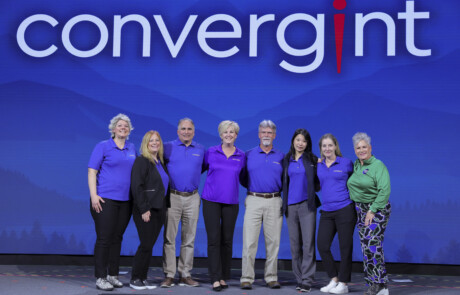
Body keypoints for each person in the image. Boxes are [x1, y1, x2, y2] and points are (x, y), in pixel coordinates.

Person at [88, 113, 136, 291]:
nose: (123, 128)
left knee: (117, 238)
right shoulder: (103, 146)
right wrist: (94, 195)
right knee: (104, 239)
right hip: (104, 200)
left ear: (129, 130)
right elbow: (92, 171)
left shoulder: (132, 148)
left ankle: (112, 275)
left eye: (126, 126)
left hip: (125, 201)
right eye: (120, 125)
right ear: (113, 128)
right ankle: (101, 277)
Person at [240, 120, 284, 290]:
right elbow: (243, 177)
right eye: (263, 132)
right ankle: (246, 277)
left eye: (269, 133)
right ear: (259, 134)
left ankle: (271, 277)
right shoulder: (249, 154)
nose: (266, 135)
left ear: (274, 135)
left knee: (273, 241)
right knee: (249, 241)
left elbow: (284, 179)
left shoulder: (281, 156)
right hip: (253, 199)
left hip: (274, 200)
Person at [202, 120, 245, 292]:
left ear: (236, 135)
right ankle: (214, 277)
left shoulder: (242, 155)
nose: (229, 135)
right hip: (211, 201)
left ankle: (223, 275)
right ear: (220, 134)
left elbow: (244, 177)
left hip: (231, 203)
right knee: (213, 240)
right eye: (225, 132)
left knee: (227, 241)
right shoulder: (211, 152)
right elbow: (201, 169)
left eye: (232, 132)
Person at [162, 118, 205, 288]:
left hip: (193, 197)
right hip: (173, 196)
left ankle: (185, 274)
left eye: (189, 129)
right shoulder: (167, 147)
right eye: (183, 129)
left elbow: (201, 168)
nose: (186, 131)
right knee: (169, 238)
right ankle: (169, 274)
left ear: (193, 132)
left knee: (189, 238)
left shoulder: (201, 149)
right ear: (177, 131)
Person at [347, 132, 391, 295]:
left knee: (373, 244)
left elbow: (384, 190)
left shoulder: (378, 165)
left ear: (370, 148)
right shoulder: (357, 165)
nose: (361, 150)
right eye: (358, 148)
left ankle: (380, 284)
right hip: (360, 209)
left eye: (364, 147)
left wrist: (372, 210)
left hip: (376, 209)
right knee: (366, 246)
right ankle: (376, 283)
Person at [129, 130, 170, 290]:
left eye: (157, 140)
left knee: (150, 245)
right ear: (146, 144)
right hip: (146, 209)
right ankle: (135, 278)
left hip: (160, 209)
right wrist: (144, 209)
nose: (154, 143)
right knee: (145, 244)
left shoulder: (160, 162)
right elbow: (137, 187)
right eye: (151, 141)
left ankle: (143, 278)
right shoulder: (142, 161)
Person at [281, 128, 320, 293]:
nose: (300, 143)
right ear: (293, 141)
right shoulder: (286, 159)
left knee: (308, 244)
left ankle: (307, 280)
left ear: (307, 143)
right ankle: (299, 278)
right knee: (295, 245)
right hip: (290, 206)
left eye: (303, 141)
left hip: (307, 206)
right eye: (298, 140)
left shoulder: (312, 159)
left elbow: (319, 180)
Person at [317, 134, 356, 294]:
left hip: (345, 209)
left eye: (330, 145)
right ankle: (334, 279)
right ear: (321, 149)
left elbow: (356, 183)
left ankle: (344, 284)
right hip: (326, 211)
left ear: (335, 146)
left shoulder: (346, 163)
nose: (327, 148)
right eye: (324, 146)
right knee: (322, 245)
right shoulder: (318, 165)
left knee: (345, 247)